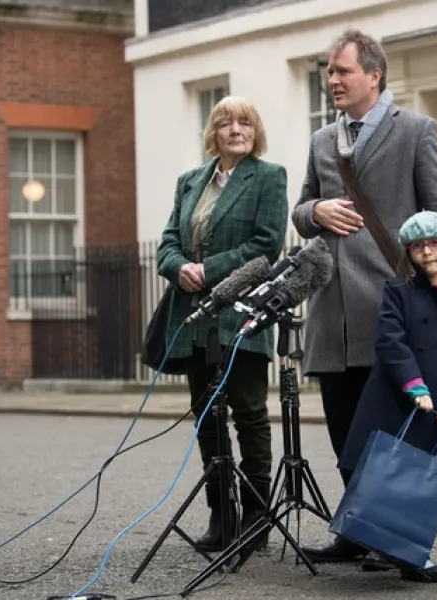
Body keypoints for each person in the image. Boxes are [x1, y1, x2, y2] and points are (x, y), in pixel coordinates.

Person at [291, 28, 437, 563]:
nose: (333, 80)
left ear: (374, 74)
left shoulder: (416, 130)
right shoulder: (323, 140)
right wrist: (316, 212)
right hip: (332, 313)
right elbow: (300, 211)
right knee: (346, 431)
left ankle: (391, 539)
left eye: (342, 71)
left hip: (394, 312)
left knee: (392, 435)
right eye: (329, 71)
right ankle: (356, 532)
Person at [156, 96, 288, 551]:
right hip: (193, 317)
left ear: (255, 131)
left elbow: (266, 246)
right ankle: (221, 515)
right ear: (214, 132)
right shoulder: (189, 182)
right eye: (227, 122)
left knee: (249, 414)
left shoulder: (268, 177)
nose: (237, 129)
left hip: (241, 313)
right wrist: (178, 268)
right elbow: (168, 241)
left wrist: (206, 270)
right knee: (206, 415)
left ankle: (257, 517)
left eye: (245, 122)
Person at [337, 211, 437, 583]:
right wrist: (414, 385)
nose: (427, 253)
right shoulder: (397, 291)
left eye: (434, 244)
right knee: (400, 474)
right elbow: (391, 342)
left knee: (424, 474)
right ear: (409, 254)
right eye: (417, 246)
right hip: (398, 395)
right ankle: (416, 554)